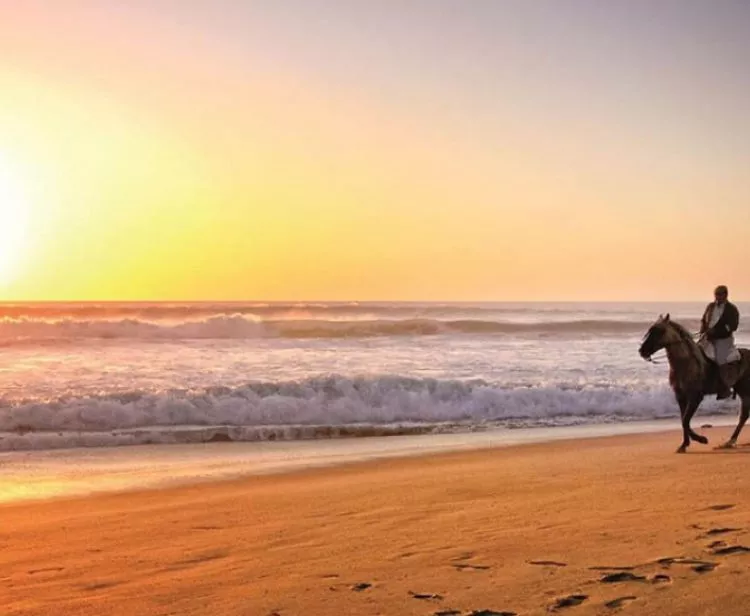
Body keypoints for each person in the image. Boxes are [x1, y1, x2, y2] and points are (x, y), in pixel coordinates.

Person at [699, 285, 741, 399]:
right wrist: (703, 330)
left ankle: (724, 388)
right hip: (707, 337)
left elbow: (732, 326)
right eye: (716, 295)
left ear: (725, 295)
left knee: (720, 359)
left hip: (724, 339)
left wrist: (716, 333)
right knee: (696, 353)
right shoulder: (710, 306)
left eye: (719, 295)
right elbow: (704, 319)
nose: (717, 297)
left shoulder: (731, 309)